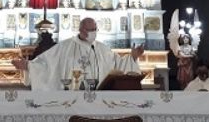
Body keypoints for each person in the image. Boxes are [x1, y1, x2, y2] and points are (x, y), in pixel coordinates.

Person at [11, 17, 144, 91]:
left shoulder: (102, 49)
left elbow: (118, 66)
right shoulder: (65, 46)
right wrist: (28, 66)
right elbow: (46, 64)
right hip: (72, 100)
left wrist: (133, 57)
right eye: (90, 30)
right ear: (81, 29)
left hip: (100, 98)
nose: (93, 32)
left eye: (94, 29)